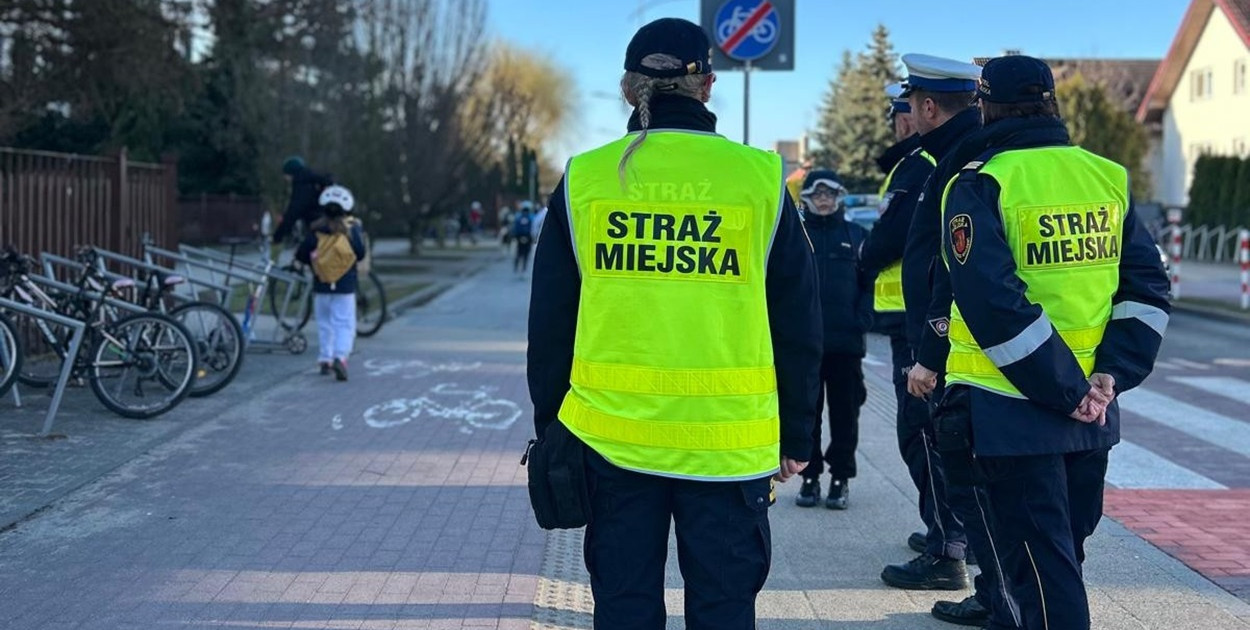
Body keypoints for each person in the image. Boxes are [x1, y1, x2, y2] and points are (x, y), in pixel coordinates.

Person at [526, 17, 822, 629]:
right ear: (708, 86)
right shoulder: (761, 178)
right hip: (728, 448)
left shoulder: (585, 177)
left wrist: (552, 423)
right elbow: (797, 316)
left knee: (625, 606)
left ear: (629, 88)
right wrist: (797, 432)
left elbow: (551, 319)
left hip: (612, 442)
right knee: (723, 608)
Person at [937, 55, 1169, 630]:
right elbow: (1146, 289)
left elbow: (994, 303)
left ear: (986, 107)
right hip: (1094, 411)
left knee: (1039, 576)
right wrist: (1110, 376)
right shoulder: (1106, 177)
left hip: (1011, 410)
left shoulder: (979, 182)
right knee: (1063, 559)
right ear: (1052, 104)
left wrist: (1065, 390)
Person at [860, 81, 960, 574]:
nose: (897, 123)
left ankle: (948, 545)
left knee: (921, 433)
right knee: (929, 431)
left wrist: (859, 257)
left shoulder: (919, 165)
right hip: (916, 317)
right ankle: (947, 530)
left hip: (916, 320)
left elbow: (890, 238)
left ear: (913, 113)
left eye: (898, 112)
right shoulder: (923, 162)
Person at [793, 169, 872, 510]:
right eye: (817, 195)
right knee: (806, 414)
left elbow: (869, 283)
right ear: (806, 199)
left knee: (845, 416)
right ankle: (809, 477)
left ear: (839, 197)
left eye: (829, 195)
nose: (823, 201)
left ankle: (840, 478)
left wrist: (862, 321)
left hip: (845, 346)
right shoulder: (794, 235)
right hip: (804, 345)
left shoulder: (856, 235)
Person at [295, 185, 367, 381]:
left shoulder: (316, 229)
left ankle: (325, 358)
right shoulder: (352, 229)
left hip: (321, 285)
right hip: (345, 286)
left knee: (325, 323)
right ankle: (340, 357)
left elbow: (301, 255)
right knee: (344, 324)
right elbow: (360, 254)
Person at [274, 156, 334, 246]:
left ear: (291, 173)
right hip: (327, 225)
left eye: (286, 175)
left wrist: (278, 236)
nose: (285, 179)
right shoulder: (314, 180)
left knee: (305, 255)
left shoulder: (302, 186)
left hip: (316, 226)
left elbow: (293, 212)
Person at [511, 203, 535, 274]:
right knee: (526, 254)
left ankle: (516, 266)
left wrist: (515, 236)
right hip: (527, 237)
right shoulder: (530, 218)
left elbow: (515, 229)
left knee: (519, 253)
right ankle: (523, 267)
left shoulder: (518, 218)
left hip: (520, 237)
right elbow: (532, 228)